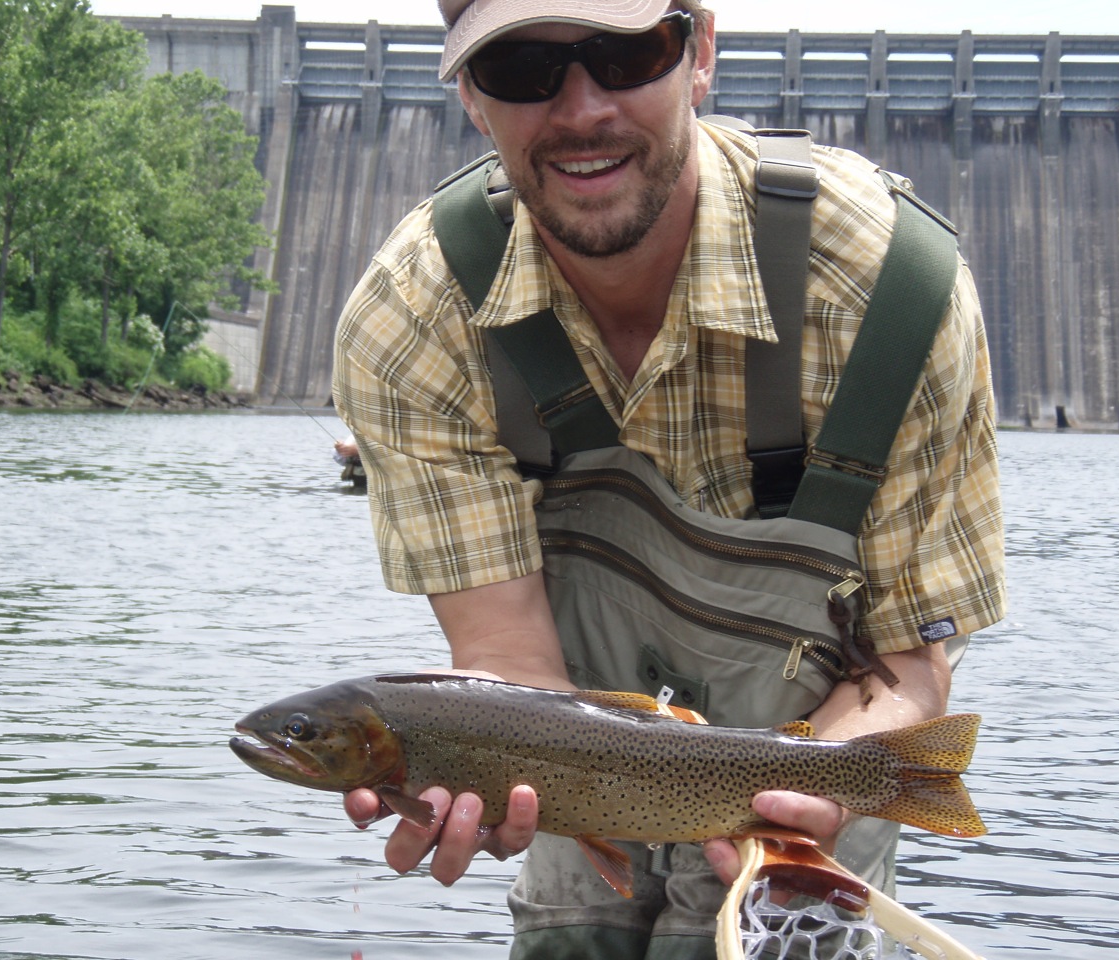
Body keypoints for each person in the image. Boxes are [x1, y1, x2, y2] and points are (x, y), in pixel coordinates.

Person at [331, 0, 1005, 955]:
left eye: (625, 52)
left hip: (830, 728)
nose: (583, 108)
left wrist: (823, 789)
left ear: (699, 54)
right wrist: (491, 779)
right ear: (473, 100)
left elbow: (905, 665)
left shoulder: (892, 292)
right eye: (523, 68)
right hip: (575, 737)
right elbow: (509, 666)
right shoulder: (414, 322)